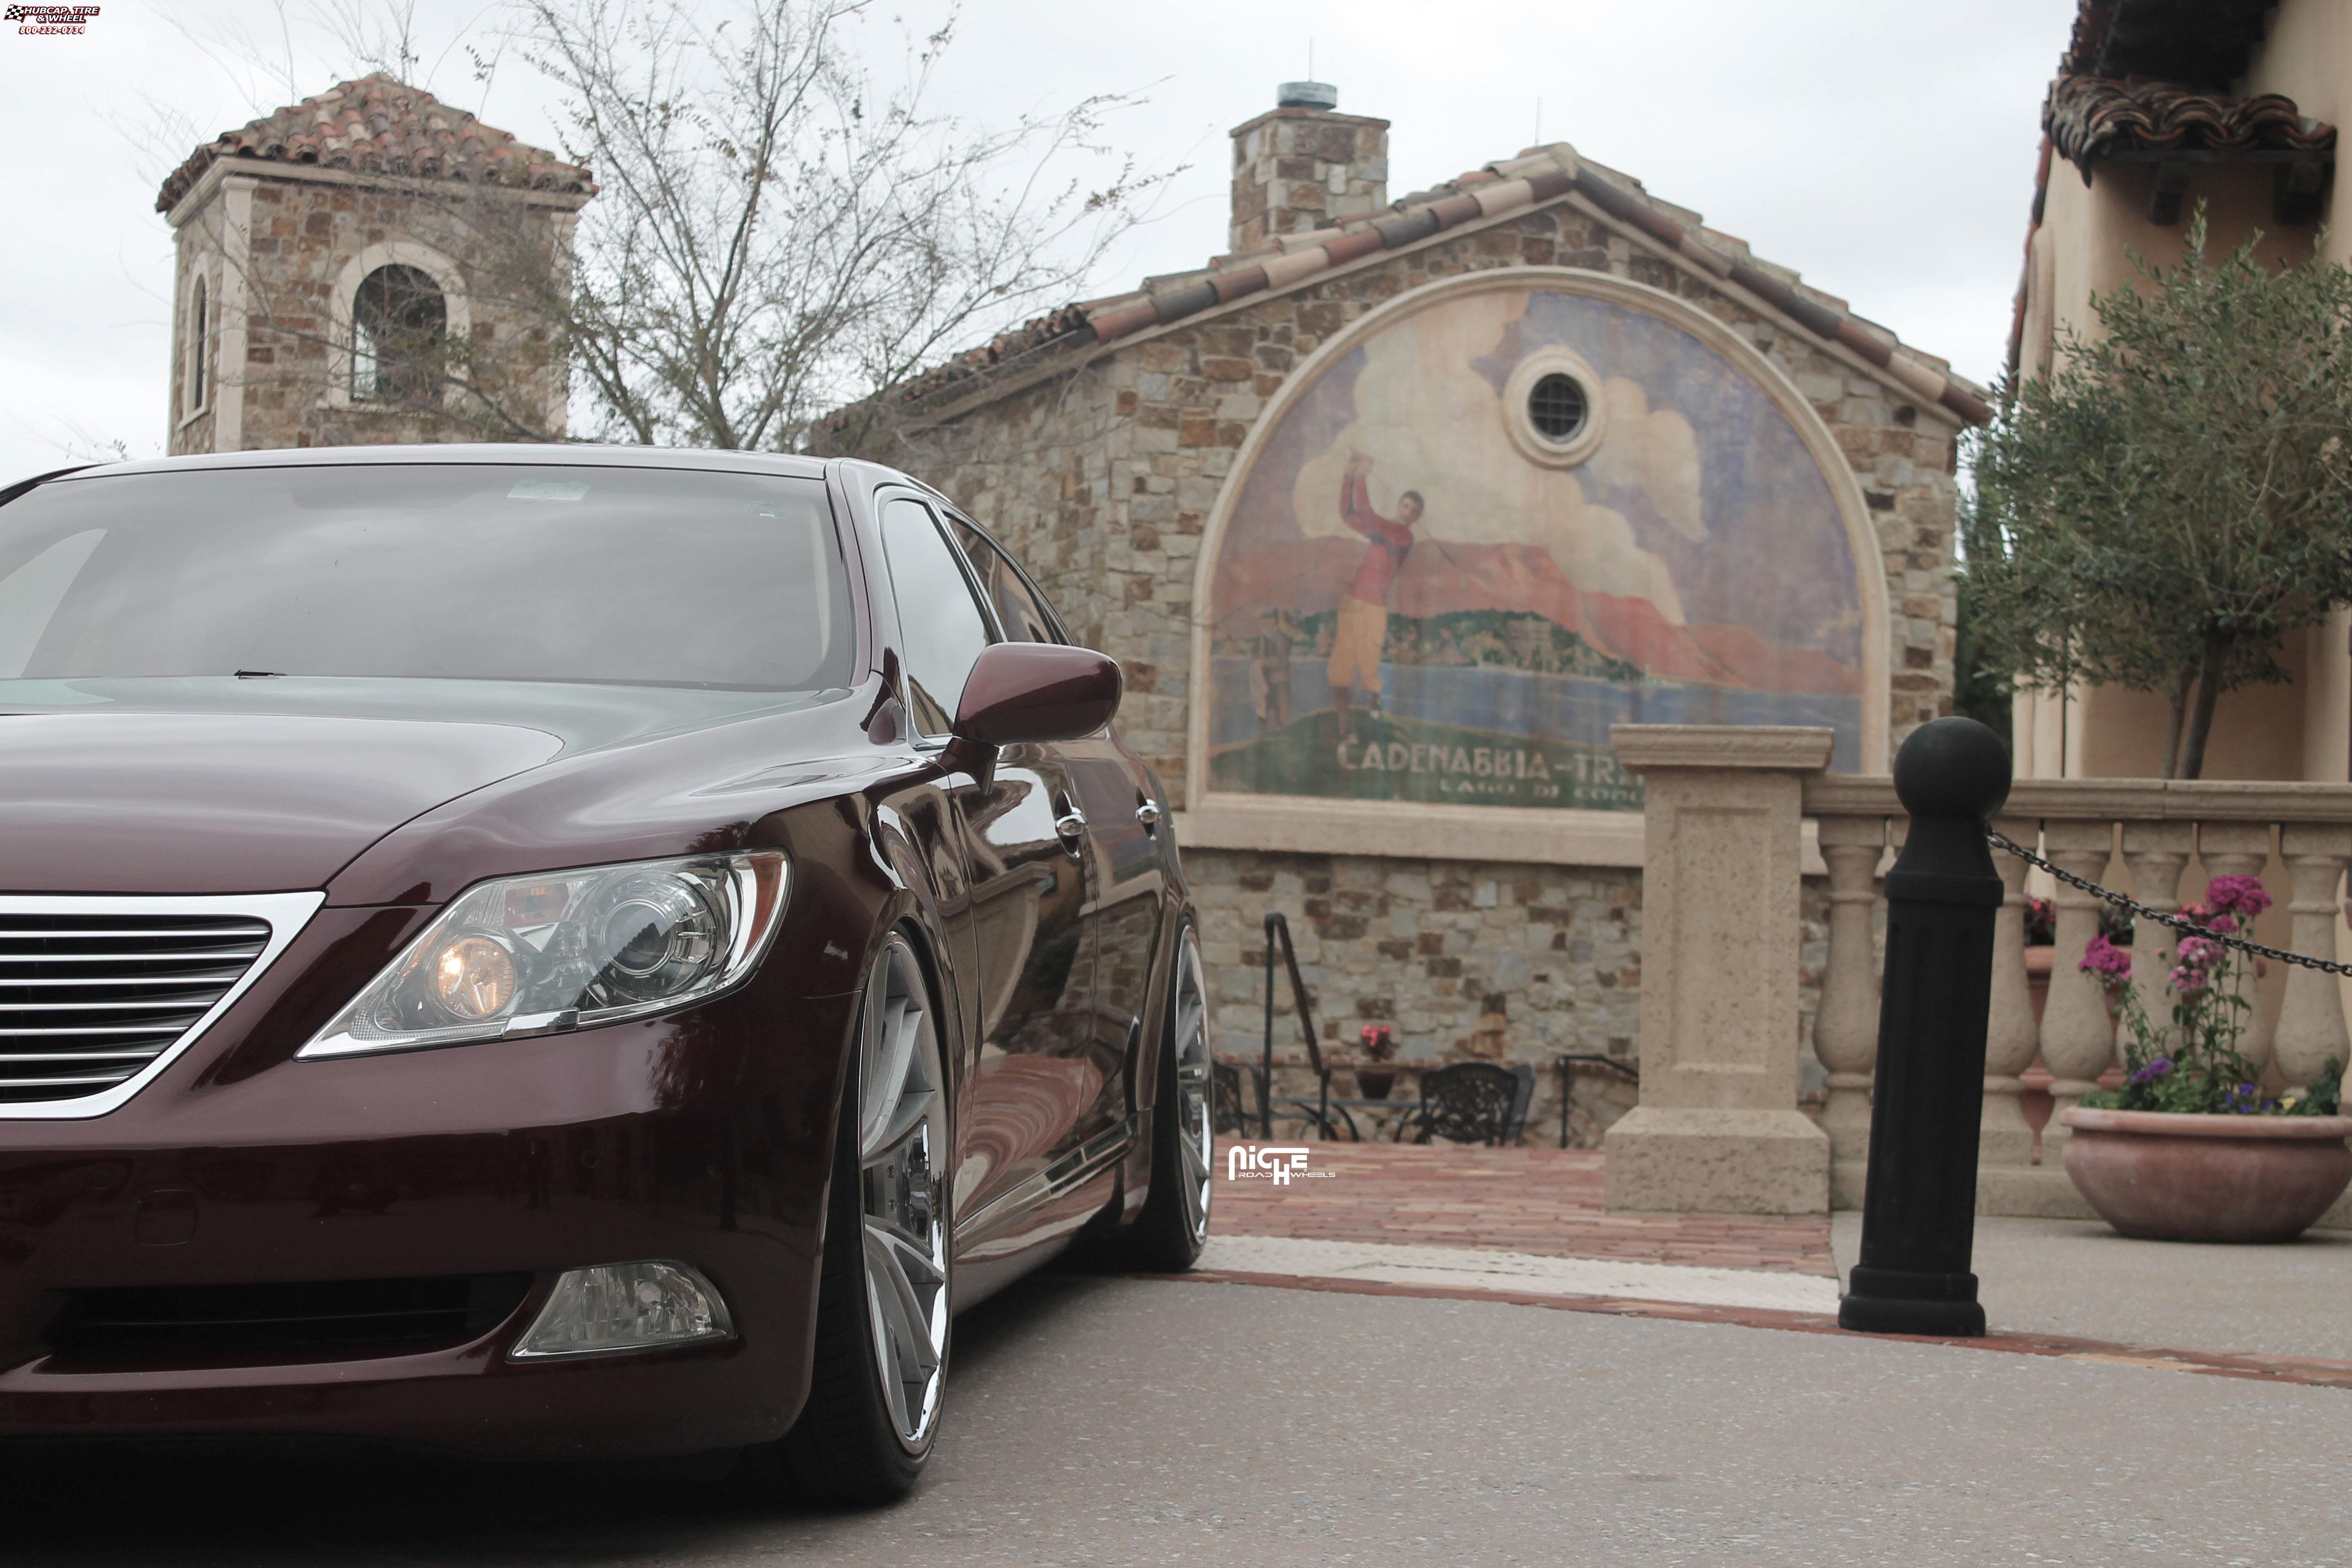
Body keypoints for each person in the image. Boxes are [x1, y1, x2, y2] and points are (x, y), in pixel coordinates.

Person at [1328, 451, 1420, 729]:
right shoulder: (1384, 528)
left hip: (1374, 608)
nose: (1408, 512)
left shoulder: (1403, 537)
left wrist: (1363, 474)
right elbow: (1348, 514)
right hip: (1352, 601)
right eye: (1405, 506)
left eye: (1414, 510)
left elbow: (1366, 513)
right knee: (1341, 666)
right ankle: (1343, 726)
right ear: (1399, 506)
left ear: (1417, 517)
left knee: (1369, 666)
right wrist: (1349, 475)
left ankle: (1373, 711)